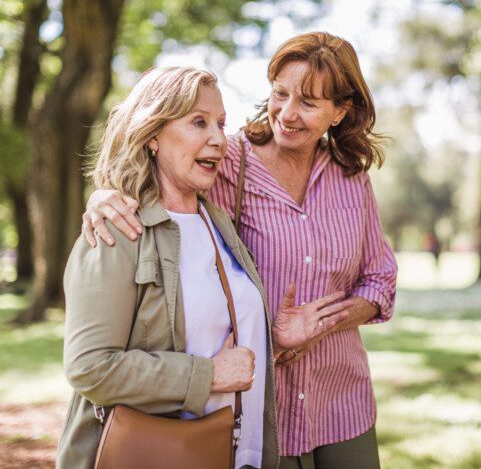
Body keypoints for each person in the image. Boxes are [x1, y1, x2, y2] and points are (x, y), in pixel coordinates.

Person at [82, 32, 398, 468]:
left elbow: (380, 278)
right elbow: (157, 181)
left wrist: (323, 325)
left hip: (341, 399)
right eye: (280, 94)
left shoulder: (351, 179)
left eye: (308, 103)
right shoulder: (227, 160)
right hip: (259, 405)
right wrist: (101, 197)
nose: (287, 114)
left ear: (340, 111)